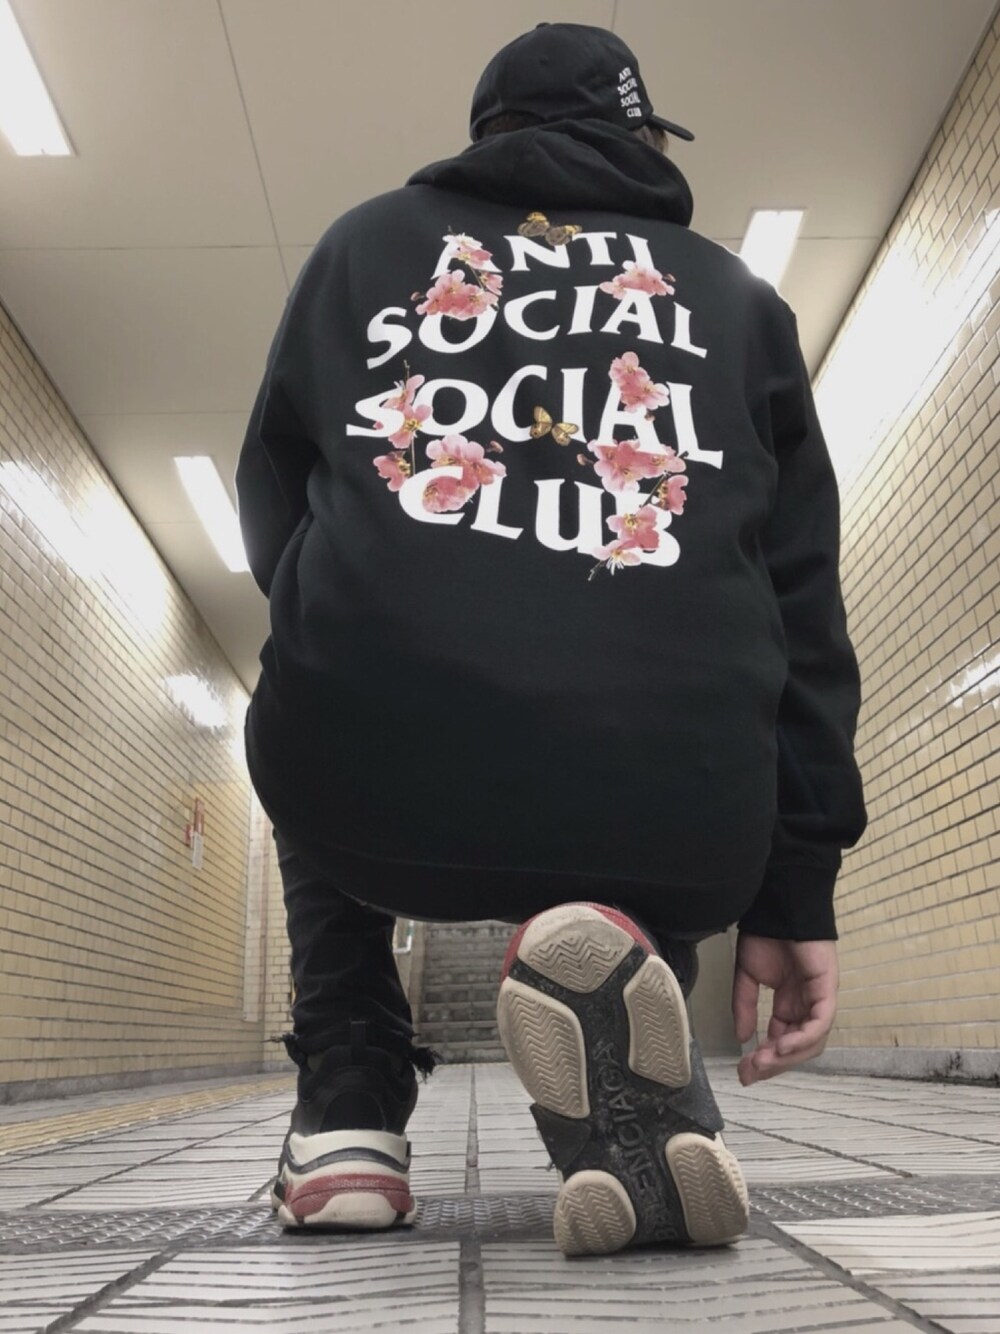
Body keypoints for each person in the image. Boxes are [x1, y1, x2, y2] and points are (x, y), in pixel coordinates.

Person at [235, 22, 868, 1256]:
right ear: (643, 142)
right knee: (659, 710)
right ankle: (647, 1039)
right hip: (678, 816)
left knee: (320, 674)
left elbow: (275, 503)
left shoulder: (364, 244)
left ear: (487, 136)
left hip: (371, 795)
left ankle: (350, 1100)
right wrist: (795, 887)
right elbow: (803, 608)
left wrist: (384, 610)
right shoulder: (736, 298)